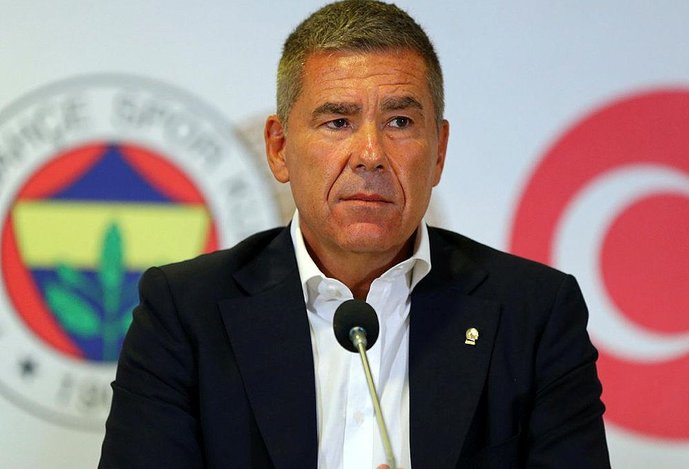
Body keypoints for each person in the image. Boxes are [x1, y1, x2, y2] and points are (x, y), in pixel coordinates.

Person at [99, 1, 611, 468]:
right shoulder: (185, 312)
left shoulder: (534, 313)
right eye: (338, 121)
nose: (370, 154)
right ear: (278, 148)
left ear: (438, 152)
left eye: (400, 121)